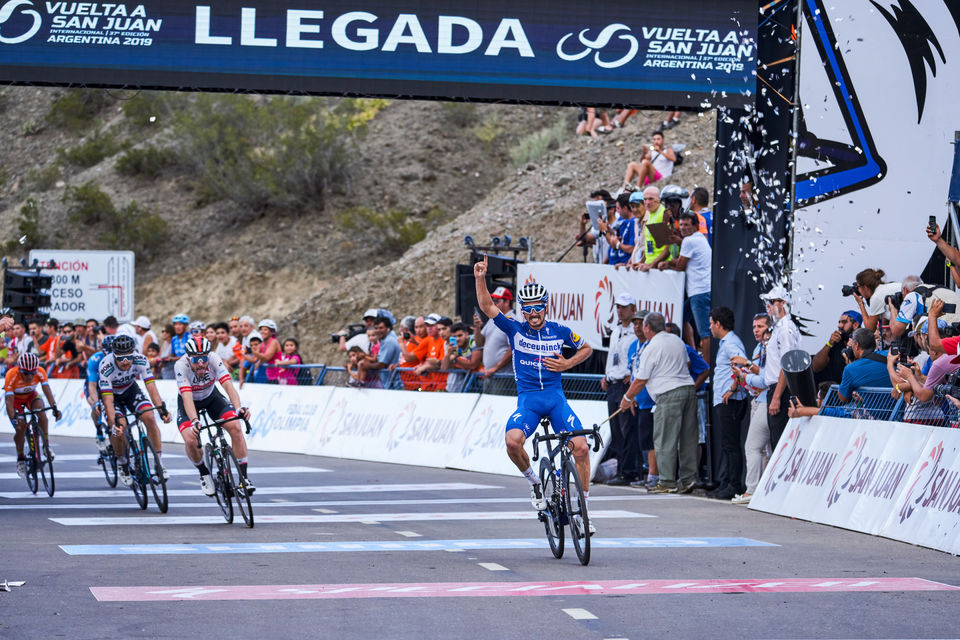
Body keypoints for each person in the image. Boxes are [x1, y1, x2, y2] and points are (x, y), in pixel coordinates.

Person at [474, 257, 596, 534]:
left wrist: (567, 363)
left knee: (582, 448)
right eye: (528, 308)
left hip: (555, 399)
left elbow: (587, 348)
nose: (533, 312)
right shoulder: (515, 329)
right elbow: (487, 306)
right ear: (523, 310)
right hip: (528, 400)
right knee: (512, 442)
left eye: (538, 306)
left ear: (546, 306)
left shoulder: (560, 331)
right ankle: (534, 483)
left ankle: (583, 511)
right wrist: (480, 278)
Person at [619, 312, 697, 494]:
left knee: (664, 439)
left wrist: (626, 399)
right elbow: (687, 365)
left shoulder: (651, 347)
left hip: (668, 394)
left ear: (648, 328)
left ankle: (667, 481)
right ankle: (688, 479)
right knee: (688, 438)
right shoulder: (677, 340)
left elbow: (640, 379)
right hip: (688, 389)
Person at [175, 336, 254, 496]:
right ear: (188, 358)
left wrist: (238, 408)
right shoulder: (180, 366)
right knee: (191, 439)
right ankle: (204, 473)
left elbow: (228, 386)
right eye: (196, 360)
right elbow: (187, 397)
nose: (201, 364)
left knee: (236, 427)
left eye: (203, 359)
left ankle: (243, 478)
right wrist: (195, 421)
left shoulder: (214, 359)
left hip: (211, 397)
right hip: (190, 403)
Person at [98, 335, 172, 486]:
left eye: (128, 357)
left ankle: (159, 463)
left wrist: (161, 410)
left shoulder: (140, 359)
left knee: (150, 417)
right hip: (112, 396)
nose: (125, 361)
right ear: (114, 355)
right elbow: (108, 401)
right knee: (121, 426)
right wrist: (113, 424)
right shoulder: (106, 366)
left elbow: (151, 387)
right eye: (121, 358)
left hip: (131, 390)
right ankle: (123, 462)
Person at [707, 307, 749, 501]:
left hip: (730, 400)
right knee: (727, 444)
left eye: (711, 323)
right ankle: (727, 481)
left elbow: (742, 364)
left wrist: (733, 388)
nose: (710, 328)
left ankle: (734, 485)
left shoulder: (731, 342)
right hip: (725, 400)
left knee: (731, 444)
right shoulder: (727, 342)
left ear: (718, 324)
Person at [730, 313, 772, 505]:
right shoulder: (760, 346)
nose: (756, 330)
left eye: (761, 326)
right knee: (764, 449)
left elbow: (765, 378)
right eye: (754, 326)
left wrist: (745, 372)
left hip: (766, 399)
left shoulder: (769, 346)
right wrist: (743, 375)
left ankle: (752, 490)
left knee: (753, 447)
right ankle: (763, 490)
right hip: (758, 398)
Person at [658, 211, 712, 359]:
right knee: (680, 318)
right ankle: (693, 354)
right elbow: (684, 259)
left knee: (705, 334)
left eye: (687, 225)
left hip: (699, 292)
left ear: (695, 226)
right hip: (703, 290)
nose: (683, 228)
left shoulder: (689, 241)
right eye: (681, 225)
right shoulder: (699, 237)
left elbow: (680, 265)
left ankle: (706, 368)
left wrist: (667, 263)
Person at [602, 293, 641, 485]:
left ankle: (629, 470)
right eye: (618, 307)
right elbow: (612, 356)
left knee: (627, 429)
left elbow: (635, 357)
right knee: (616, 429)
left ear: (633, 309)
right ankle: (621, 468)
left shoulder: (636, 333)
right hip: (613, 383)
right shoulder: (616, 330)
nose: (620, 310)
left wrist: (630, 374)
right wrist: (607, 374)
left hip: (626, 383)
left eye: (624, 307)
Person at [5, 353, 61, 478]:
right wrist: (14, 420)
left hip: (31, 396)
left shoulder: (40, 371)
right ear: (20, 370)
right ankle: (20, 459)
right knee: (20, 428)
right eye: (26, 373)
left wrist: (54, 407)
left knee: (42, 414)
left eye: (32, 373)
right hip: (15, 401)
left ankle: (46, 446)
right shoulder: (11, 375)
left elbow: (47, 390)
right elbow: (9, 401)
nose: (30, 376)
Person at [761, 285, 801, 448]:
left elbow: (787, 364)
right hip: (777, 389)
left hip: (782, 391)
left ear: (782, 303)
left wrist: (777, 397)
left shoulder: (785, 329)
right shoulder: (779, 327)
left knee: (780, 444)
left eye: (770, 302)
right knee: (776, 442)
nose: (767, 306)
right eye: (766, 302)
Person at [626, 309, 657, 488]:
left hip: (652, 398)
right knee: (642, 438)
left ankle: (653, 475)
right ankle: (644, 472)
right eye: (635, 323)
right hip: (639, 398)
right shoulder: (633, 346)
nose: (637, 327)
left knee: (652, 439)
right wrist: (631, 396)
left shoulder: (652, 346)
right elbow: (633, 372)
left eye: (640, 323)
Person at [836, 328, 891, 403]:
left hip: (877, 413)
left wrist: (850, 364)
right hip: (902, 409)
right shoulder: (890, 355)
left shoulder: (850, 369)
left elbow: (843, 398)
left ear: (856, 345)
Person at [476, 287, 514, 392]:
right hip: (490, 374)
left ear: (507, 302)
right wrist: (477, 327)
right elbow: (479, 343)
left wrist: (496, 368)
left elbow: (513, 349)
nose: (493, 303)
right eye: (493, 300)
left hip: (503, 376)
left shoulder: (512, 320)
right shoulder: (493, 318)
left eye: (497, 300)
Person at [812, 310, 861, 385]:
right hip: (833, 391)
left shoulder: (863, 344)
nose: (839, 326)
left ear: (855, 325)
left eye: (844, 322)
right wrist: (829, 343)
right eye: (839, 322)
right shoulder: (837, 342)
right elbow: (816, 367)